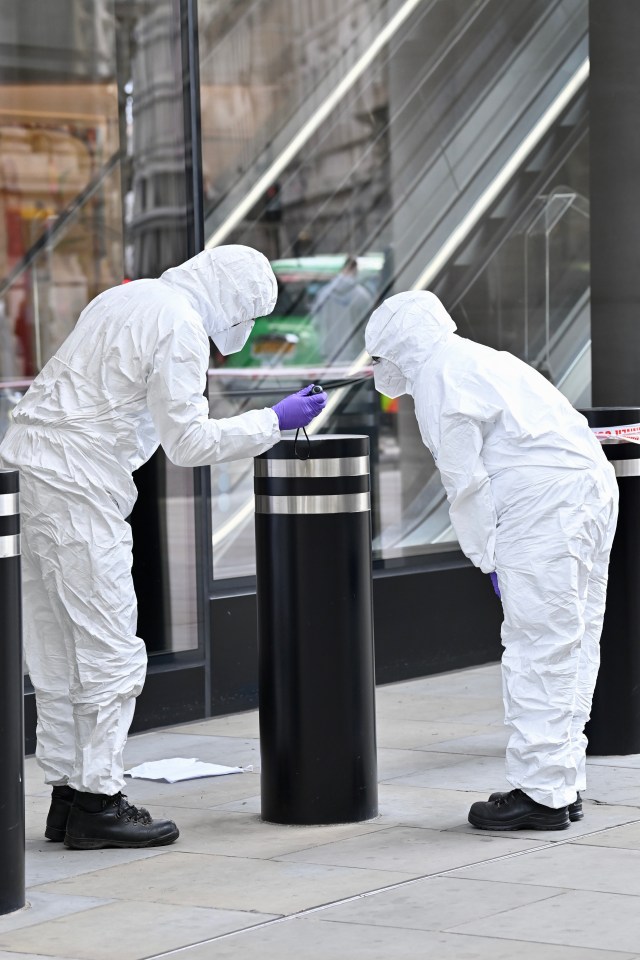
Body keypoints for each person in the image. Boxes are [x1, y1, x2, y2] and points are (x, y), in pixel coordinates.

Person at [0, 244, 327, 850]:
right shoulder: (179, 322)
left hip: (26, 474)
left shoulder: (124, 296)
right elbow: (188, 441)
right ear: (231, 298)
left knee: (57, 648)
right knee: (109, 650)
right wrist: (272, 422)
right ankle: (98, 801)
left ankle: (68, 797)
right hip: (79, 486)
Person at [365, 290, 618, 831]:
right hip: (590, 489)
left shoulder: (437, 379)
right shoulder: (482, 358)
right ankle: (562, 780)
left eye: (378, 358)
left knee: (538, 645)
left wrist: (487, 558)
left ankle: (541, 794)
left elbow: (465, 484)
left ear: (399, 347)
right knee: (575, 639)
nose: (378, 370)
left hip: (542, 504)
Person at [311, 255, 373, 363]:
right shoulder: (362, 296)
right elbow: (370, 329)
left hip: (329, 356)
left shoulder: (323, 294)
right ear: (355, 270)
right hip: (354, 357)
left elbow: (316, 324)